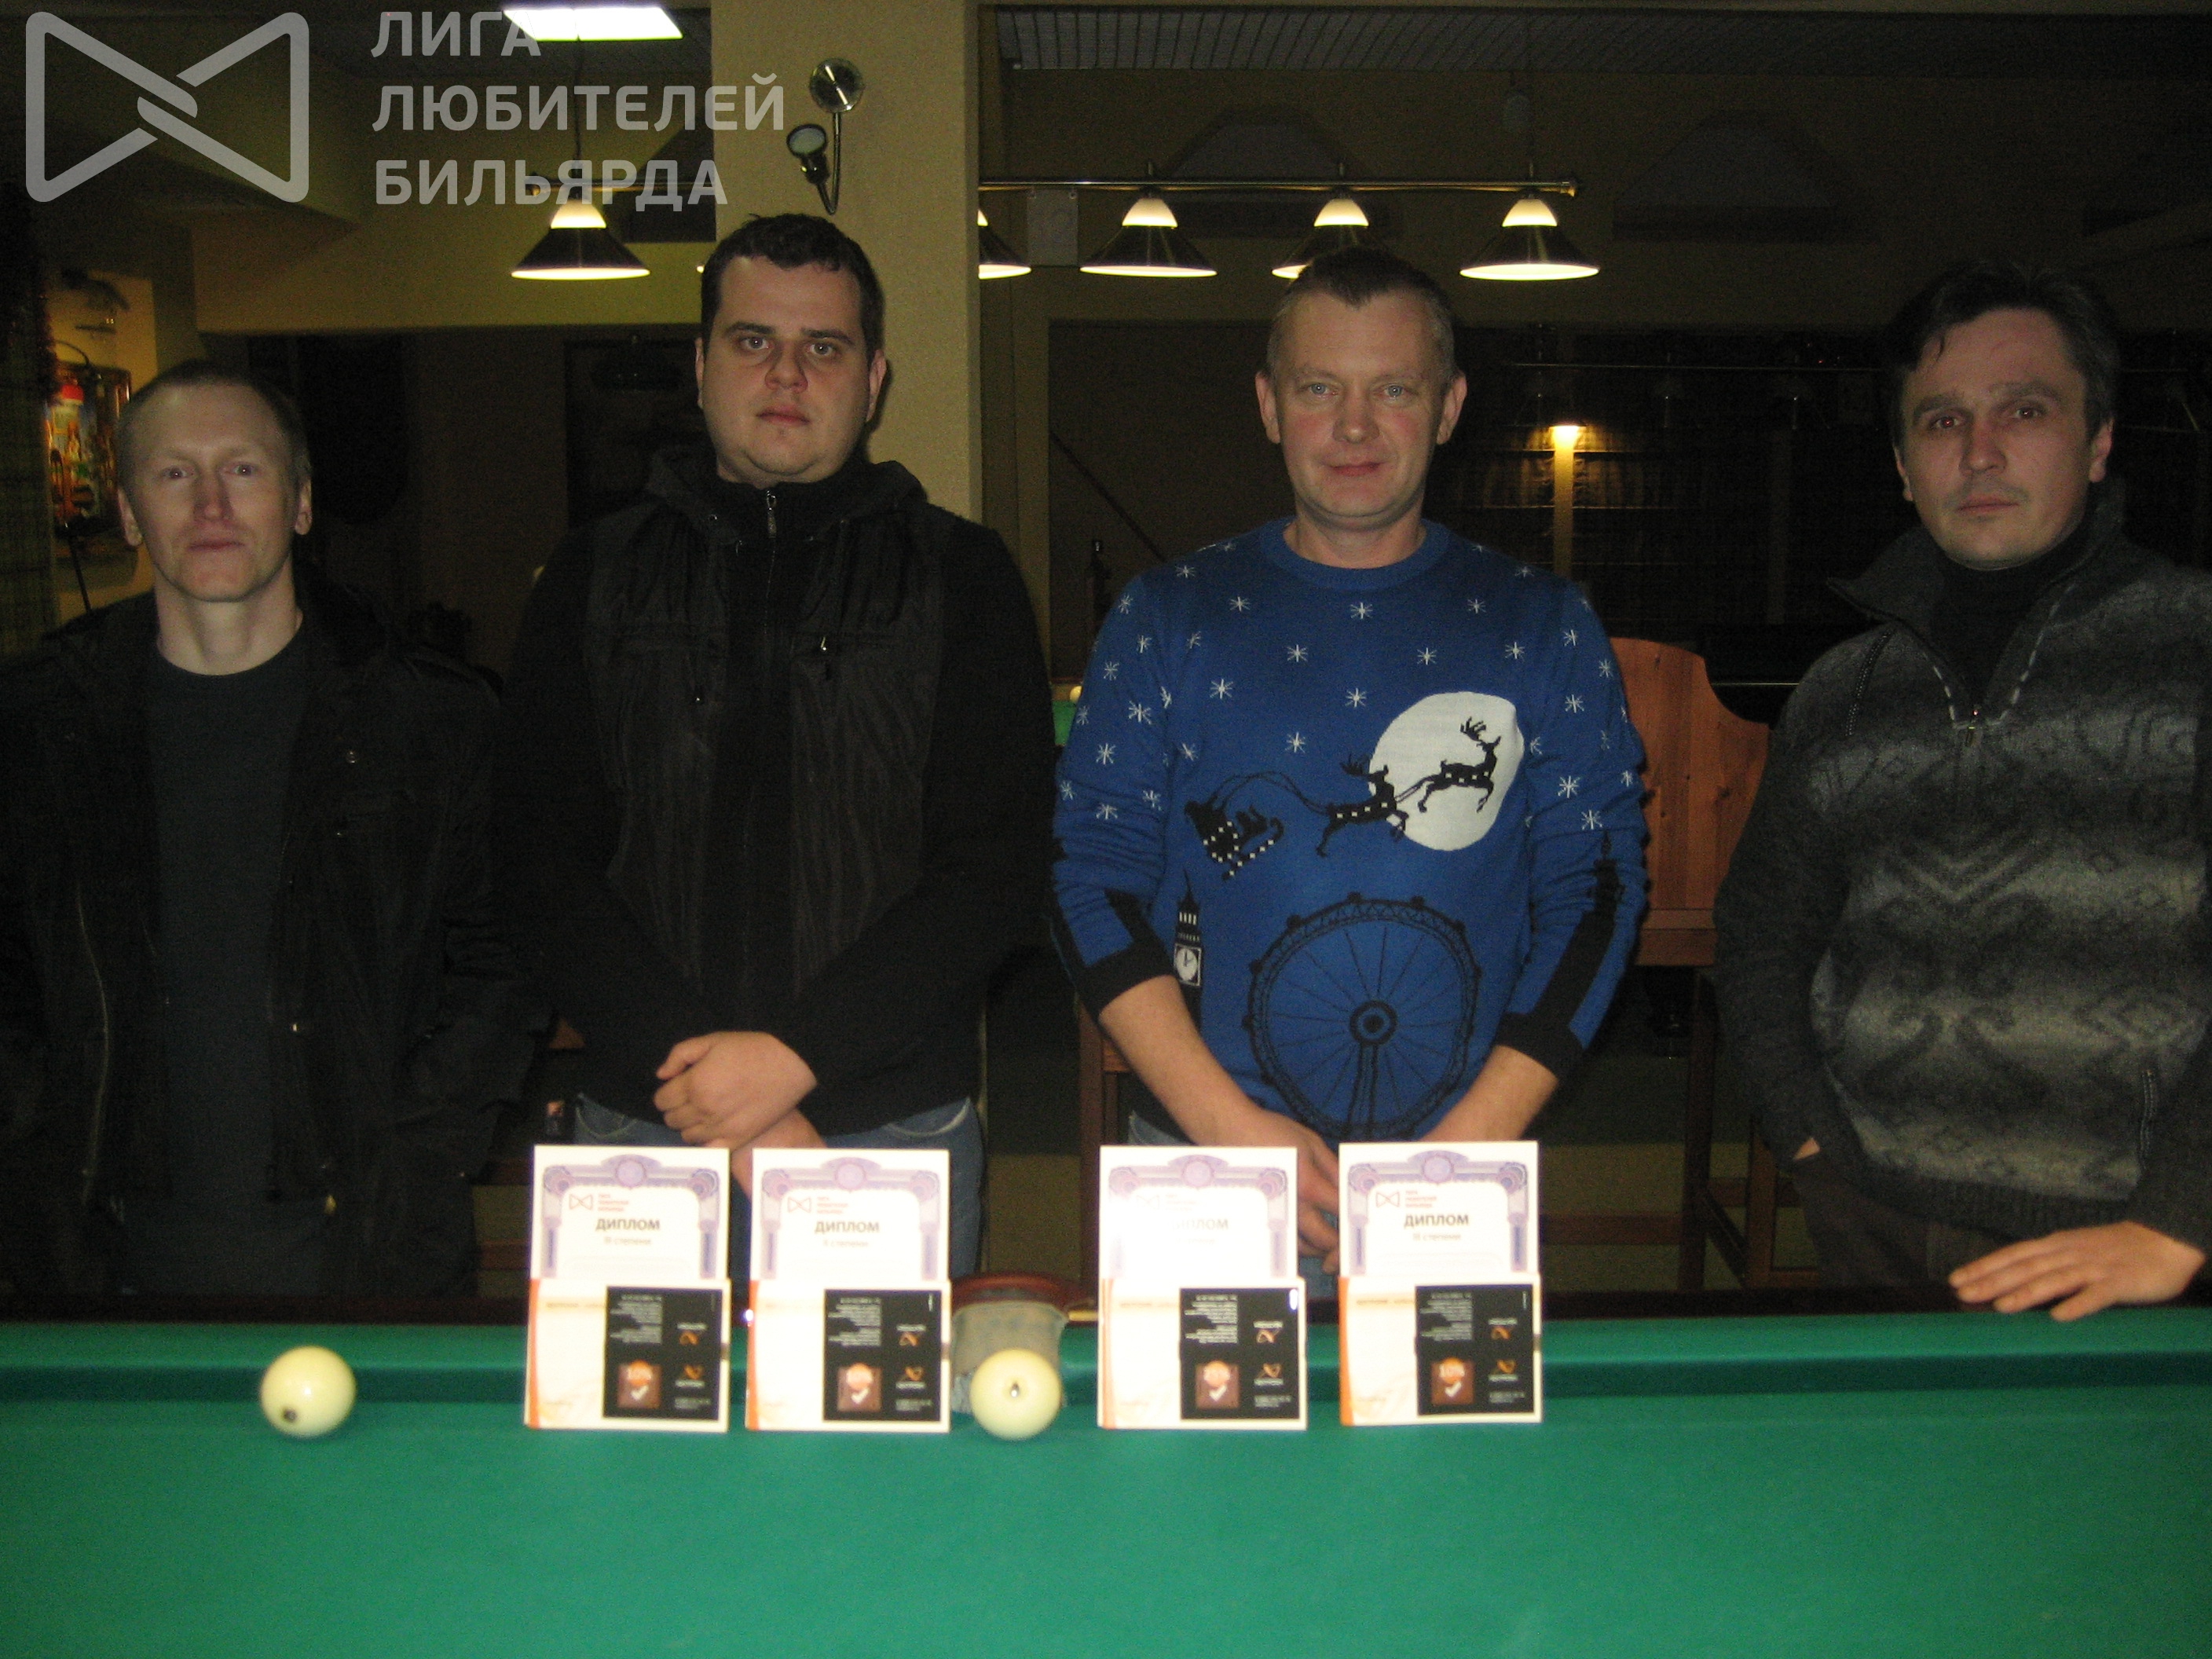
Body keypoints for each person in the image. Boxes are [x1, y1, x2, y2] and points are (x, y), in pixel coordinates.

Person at [1050, 247, 1647, 1269]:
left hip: (1459, 1168)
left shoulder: (1541, 625)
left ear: (1449, 407)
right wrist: (1231, 1131)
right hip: (1206, 1162)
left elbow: (1596, 891)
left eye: (1394, 390)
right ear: (1269, 405)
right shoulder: (1165, 617)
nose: (1356, 427)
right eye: (1320, 389)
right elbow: (1087, 878)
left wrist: (1468, 1146)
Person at [493, 214, 1052, 1280]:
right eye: (753, 341)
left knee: (872, 1407)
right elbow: (536, 862)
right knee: (636, 1403)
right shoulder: (591, 574)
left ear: (873, 379)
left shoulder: (963, 577)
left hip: (886, 1132)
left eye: (823, 347)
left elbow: (996, 870)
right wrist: (712, 1093)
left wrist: (796, 1060)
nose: (787, 374)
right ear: (701, 364)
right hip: (643, 1133)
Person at [1715, 259, 2212, 1319]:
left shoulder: (2194, 648)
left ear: (2098, 440)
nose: (1979, 453)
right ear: (1903, 465)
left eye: (2024, 411)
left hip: (2139, 1253)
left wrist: (2179, 1220)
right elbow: (1760, 933)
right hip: (1876, 1226)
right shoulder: (1844, 692)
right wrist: (1809, 1138)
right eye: (1942, 421)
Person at [0, 361, 533, 1297]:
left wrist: (418, 1152)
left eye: (242, 469)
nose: (210, 504)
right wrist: (38, 1136)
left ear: (301, 502)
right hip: (91, 1268)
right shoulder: (35, 726)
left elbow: (504, 960)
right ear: (128, 512)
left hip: (374, 1253)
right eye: (174, 473)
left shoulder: (434, 721)